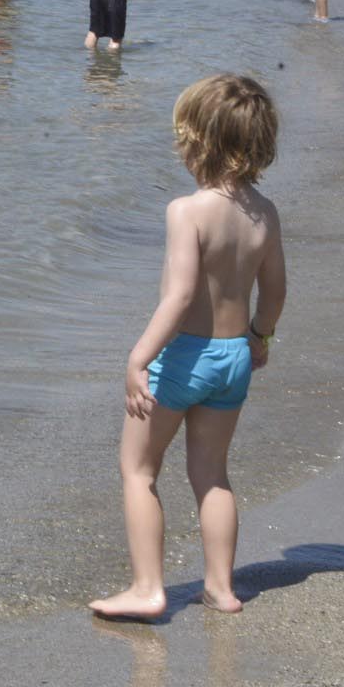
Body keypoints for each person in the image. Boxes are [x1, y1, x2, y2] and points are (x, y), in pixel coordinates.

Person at [88, 74, 286, 621]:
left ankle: (148, 588)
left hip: (185, 357)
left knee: (139, 470)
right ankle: (220, 588)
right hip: (234, 359)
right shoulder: (264, 213)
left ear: (198, 142)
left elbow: (177, 299)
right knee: (213, 474)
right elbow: (274, 289)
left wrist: (138, 357)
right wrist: (260, 336)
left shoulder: (188, 211)